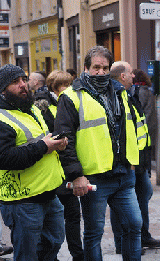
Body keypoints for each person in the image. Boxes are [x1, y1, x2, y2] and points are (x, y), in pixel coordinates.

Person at [54, 46, 143, 261]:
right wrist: (76, 175)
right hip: (94, 177)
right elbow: (65, 140)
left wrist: (133, 161)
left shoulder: (119, 91)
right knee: (94, 234)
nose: (101, 72)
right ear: (86, 68)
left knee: (134, 225)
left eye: (104, 68)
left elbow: (127, 129)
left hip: (123, 174)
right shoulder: (71, 96)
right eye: (96, 68)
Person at [0, 64, 67, 260]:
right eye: (14, 82)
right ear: (3, 90)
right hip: (23, 201)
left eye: (23, 79)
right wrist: (44, 147)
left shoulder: (31, 109)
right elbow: (4, 158)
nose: (22, 85)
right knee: (27, 255)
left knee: (53, 244)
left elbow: (41, 140)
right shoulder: (3, 118)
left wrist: (57, 143)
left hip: (48, 193)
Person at [109, 63, 160, 254]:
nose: (134, 75)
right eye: (131, 72)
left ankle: (142, 235)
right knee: (123, 203)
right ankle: (124, 242)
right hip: (127, 162)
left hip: (139, 159)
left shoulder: (131, 94)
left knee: (143, 195)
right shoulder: (114, 96)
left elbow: (140, 127)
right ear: (123, 76)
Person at [35, 70, 84, 261]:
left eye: (69, 85)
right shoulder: (44, 109)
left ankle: (77, 254)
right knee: (50, 220)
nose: (67, 89)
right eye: (63, 86)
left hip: (66, 170)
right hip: (52, 172)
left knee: (72, 215)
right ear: (54, 88)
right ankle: (50, 255)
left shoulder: (70, 103)